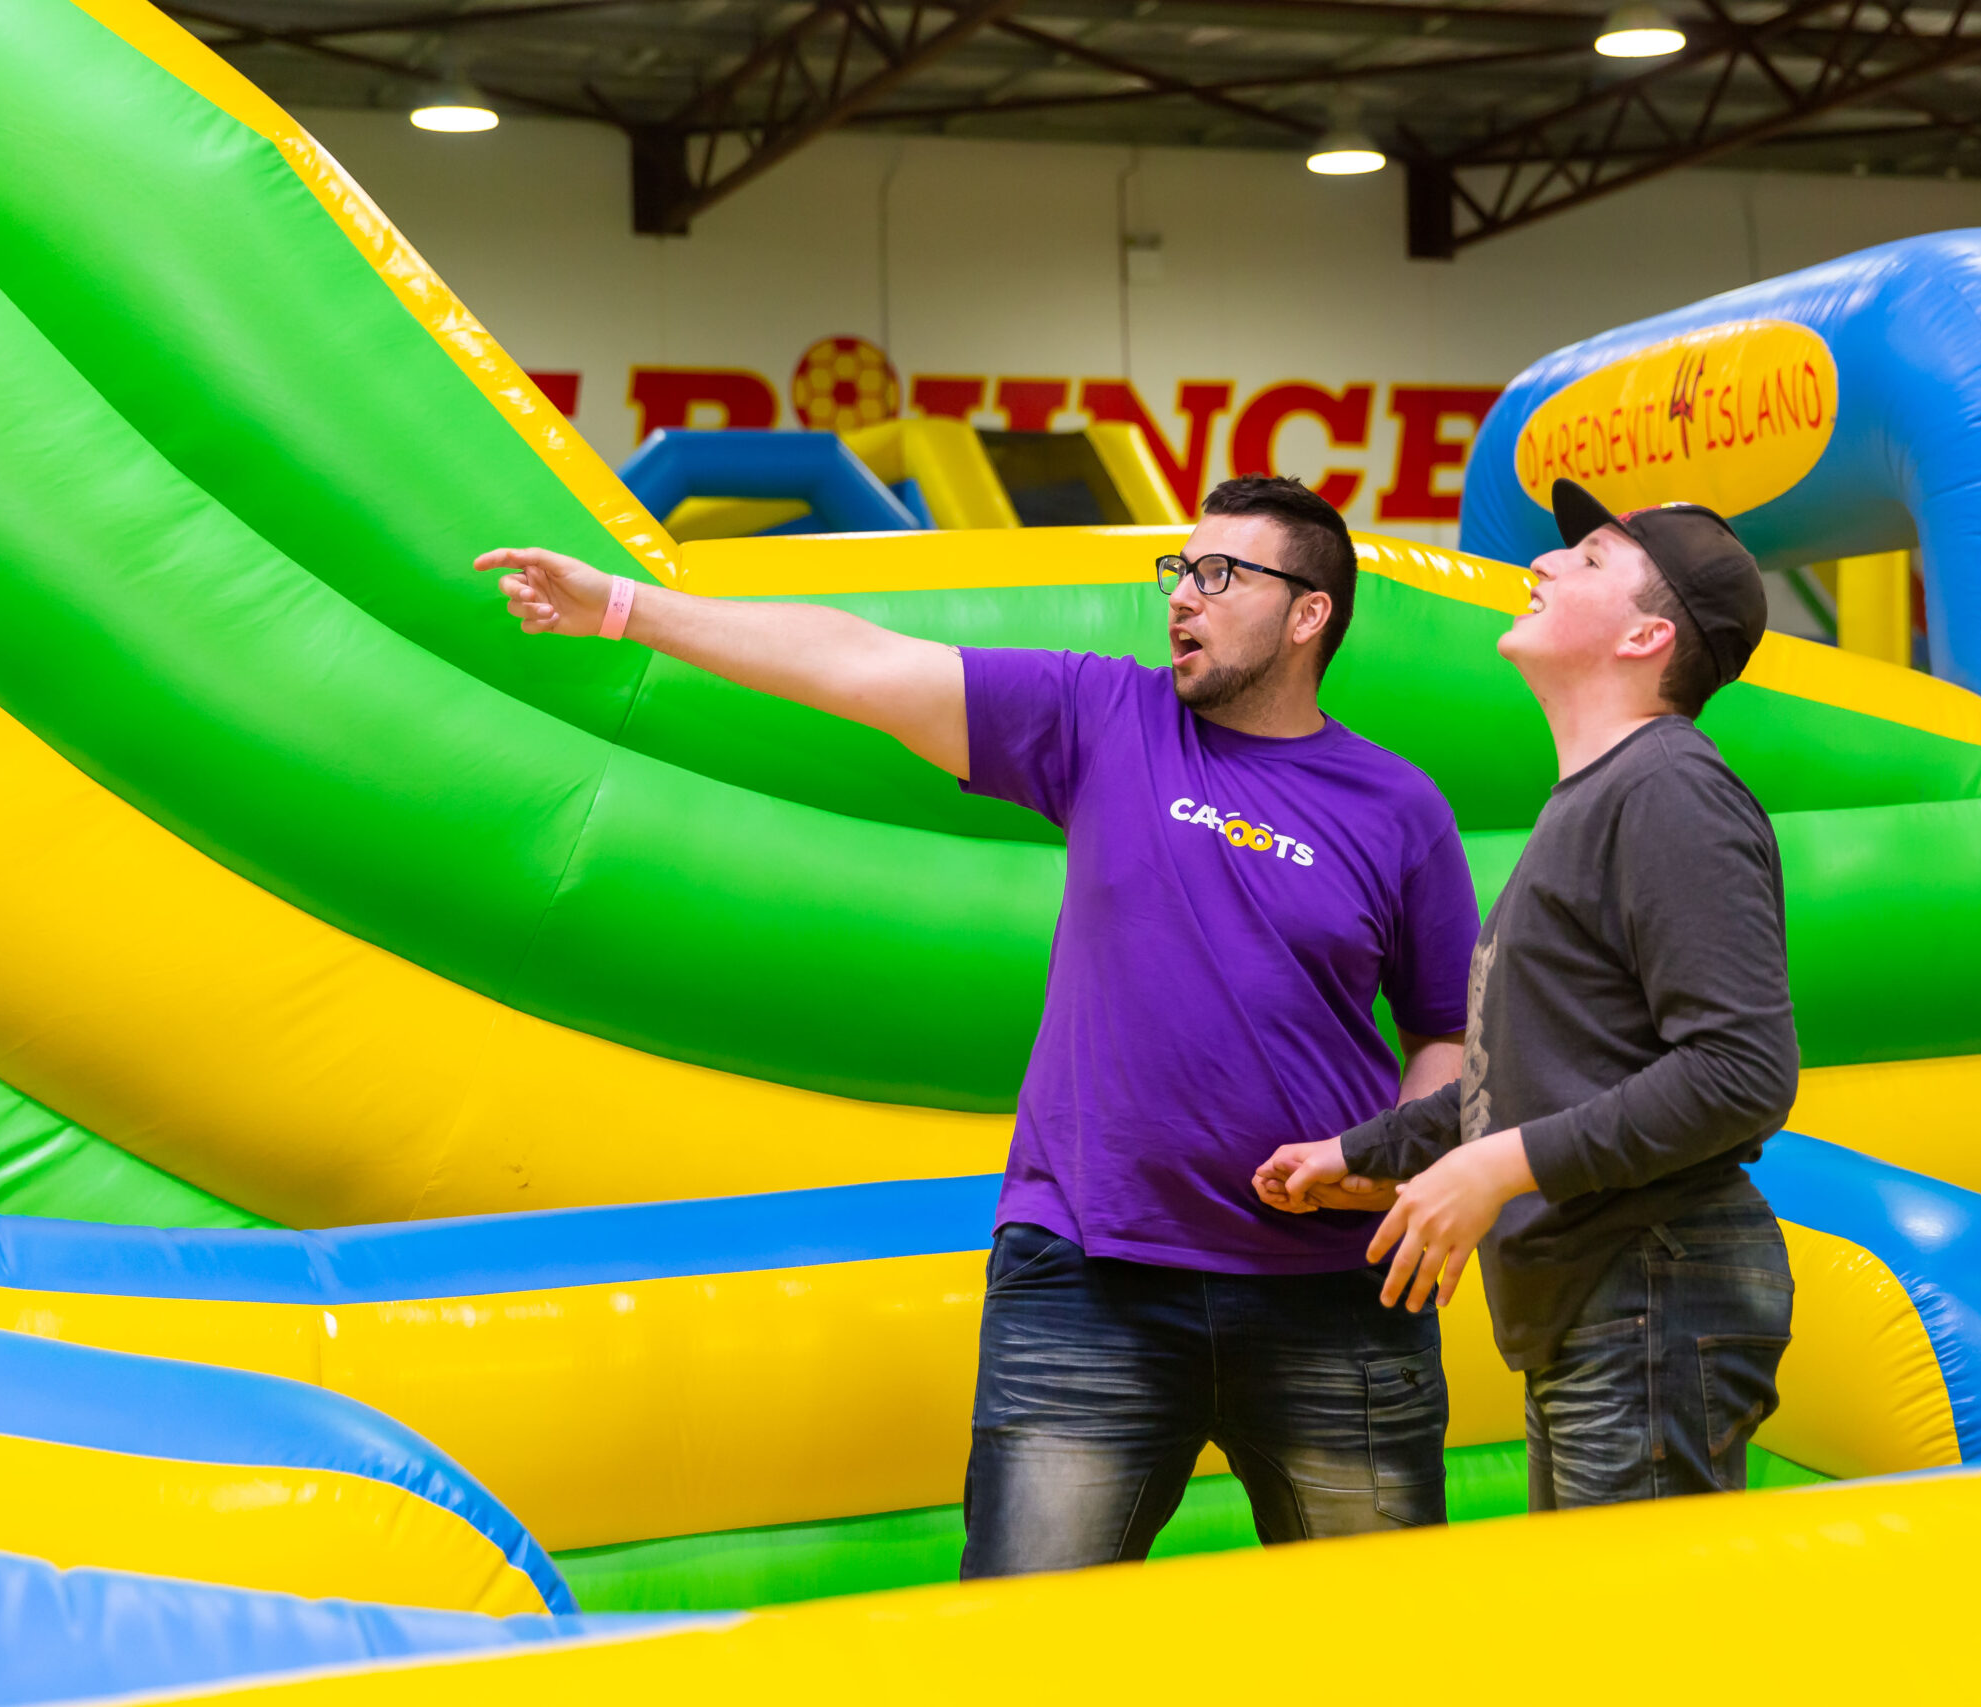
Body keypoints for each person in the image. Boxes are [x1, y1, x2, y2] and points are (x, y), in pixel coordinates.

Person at [481, 474, 1478, 1573]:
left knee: (1372, 1643)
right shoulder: (1107, 717)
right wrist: (623, 607)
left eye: (1218, 575)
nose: (1182, 599)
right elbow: (862, 663)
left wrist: (1390, 1159)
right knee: (1020, 1648)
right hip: (1091, 1282)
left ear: (1307, 615)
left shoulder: (1396, 806)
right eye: (1178, 572)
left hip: (1332, 1296)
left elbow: (1446, 1030)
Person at [1254, 477, 1800, 1511]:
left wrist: (1496, 1168)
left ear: (1645, 639)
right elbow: (1532, 1078)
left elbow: (1743, 1073)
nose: (1541, 565)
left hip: (1649, 1289)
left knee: (1625, 1655)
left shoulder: (1667, 789)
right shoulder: (1597, 798)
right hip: (1608, 1301)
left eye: (1588, 562)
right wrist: (1360, 1154)